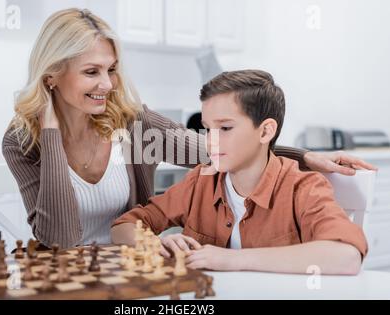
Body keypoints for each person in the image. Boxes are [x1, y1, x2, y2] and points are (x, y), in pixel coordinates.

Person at [3, 8, 376, 249]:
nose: (108, 84)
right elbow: (62, 239)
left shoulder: (132, 125)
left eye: (111, 69)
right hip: (63, 280)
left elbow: (217, 150)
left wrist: (305, 156)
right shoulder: (23, 142)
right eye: (91, 72)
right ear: (51, 76)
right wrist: (50, 132)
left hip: (131, 271)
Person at [111, 70, 368, 275]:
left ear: (265, 131)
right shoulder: (202, 180)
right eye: (207, 129)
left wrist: (233, 260)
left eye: (225, 128)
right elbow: (123, 226)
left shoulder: (304, 188)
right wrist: (155, 243)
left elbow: (346, 257)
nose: (210, 141)